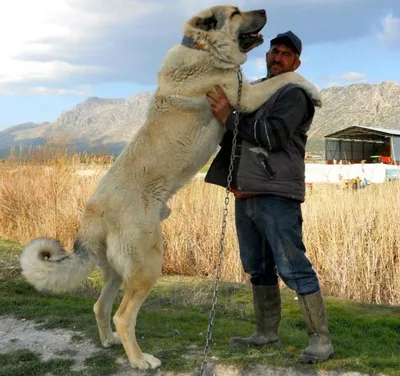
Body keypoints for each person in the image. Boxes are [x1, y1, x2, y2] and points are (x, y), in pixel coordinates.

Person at [205, 31, 334, 363]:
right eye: (274, 51)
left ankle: (321, 340)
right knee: (257, 267)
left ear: (297, 63)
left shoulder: (294, 95)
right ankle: (265, 333)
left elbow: (273, 135)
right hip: (245, 191)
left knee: (293, 267)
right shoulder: (257, 92)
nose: (277, 57)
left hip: (277, 194)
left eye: (286, 54)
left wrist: (230, 119)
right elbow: (234, 131)